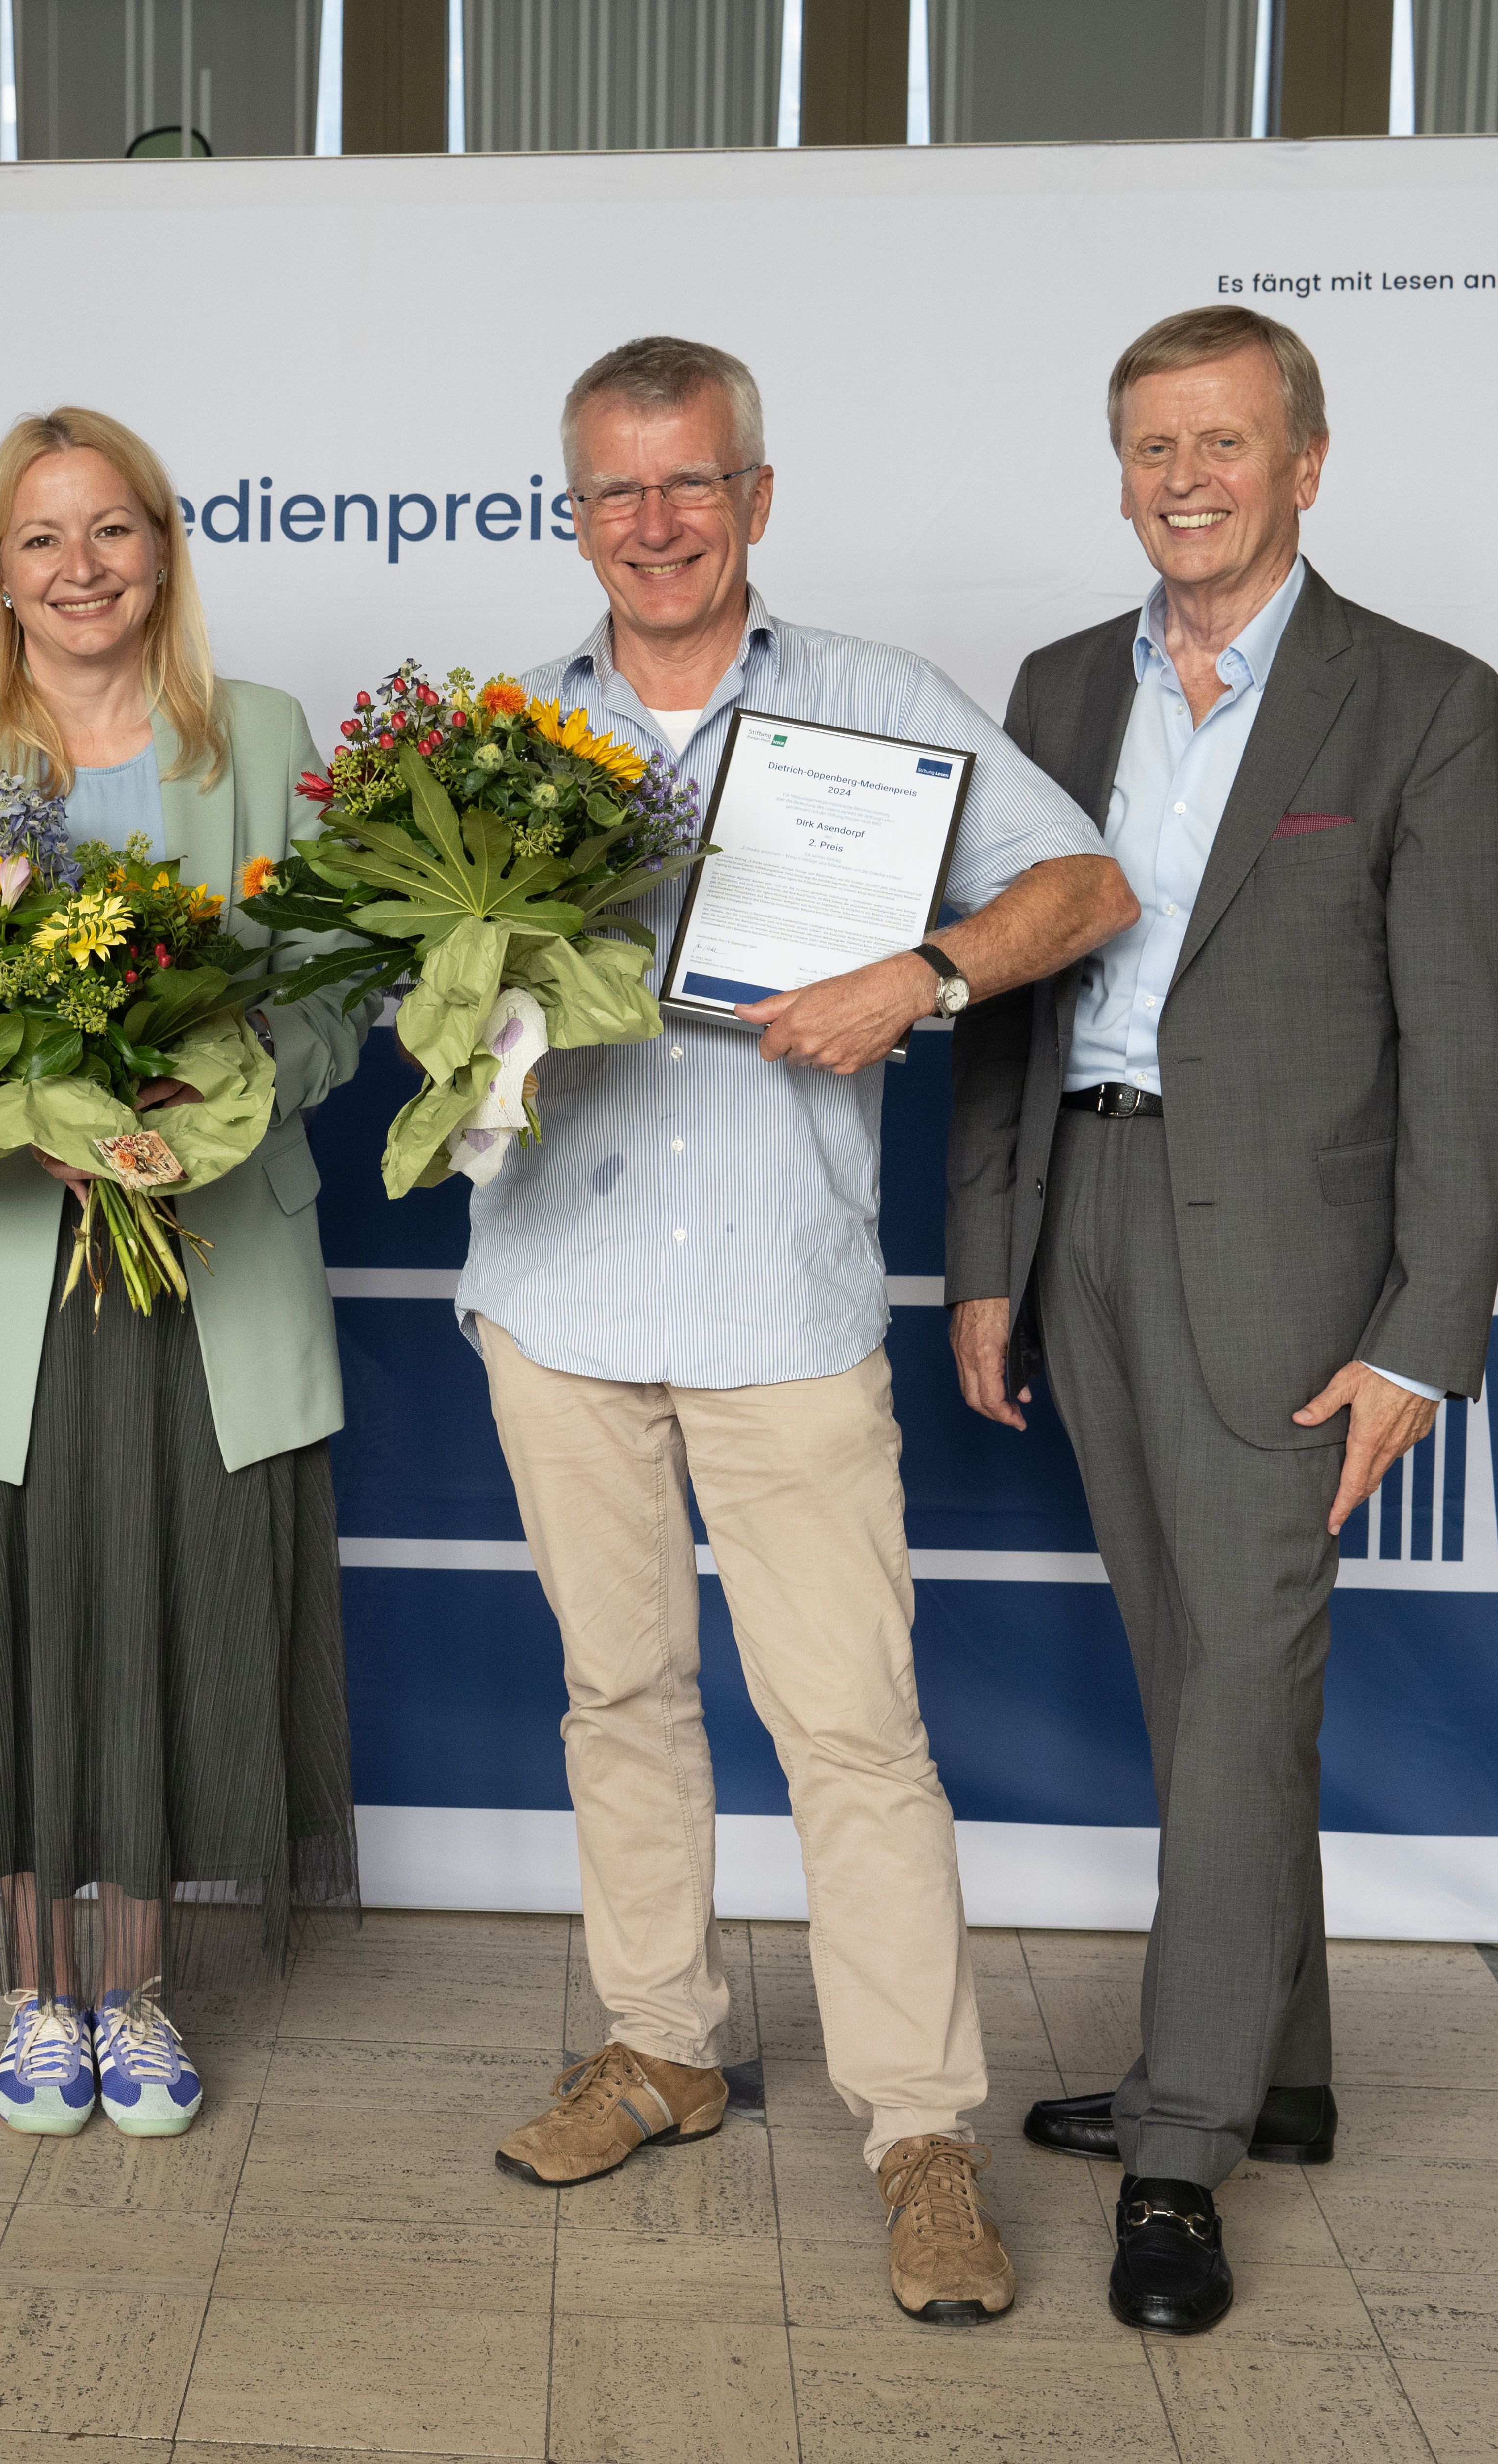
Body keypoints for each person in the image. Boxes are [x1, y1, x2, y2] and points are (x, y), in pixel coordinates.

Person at [468, 337, 1137, 2326]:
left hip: (778, 1309)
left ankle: (920, 2133)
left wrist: (918, 975)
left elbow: (1085, 884)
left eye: (690, 485)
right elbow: (418, 987)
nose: (653, 526)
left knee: (848, 1730)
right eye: (614, 493)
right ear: (569, 512)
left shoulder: (873, 709)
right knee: (619, 1703)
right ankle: (661, 2045)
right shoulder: (500, 739)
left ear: (753, 497)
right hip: (555, 1301)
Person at [945, 304, 1498, 2334]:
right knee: (1189, 1659)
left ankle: (1179, 2144)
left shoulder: (1422, 704)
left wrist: (1418, 1336)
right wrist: (985, 1255)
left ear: (1303, 458)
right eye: (1146, 444)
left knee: (1235, 1691)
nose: (1180, 476)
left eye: (1218, 439)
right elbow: (1008, 1008)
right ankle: (1282, 2073)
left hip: (1288, 1265)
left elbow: (1465, 1053)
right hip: (1085, 1215)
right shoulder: (1046, 687)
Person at [0, 407, 363, 2141]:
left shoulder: (257, 739)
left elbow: (337, 1002)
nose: (79, 569)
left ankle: (137, 1987)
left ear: (163, 551)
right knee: (18, 1644)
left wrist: (210, 1098)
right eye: (40, 541)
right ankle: (41, 2002)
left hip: (200, 1287)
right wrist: (19, 1111)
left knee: (173, 1630)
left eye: (111, 532)